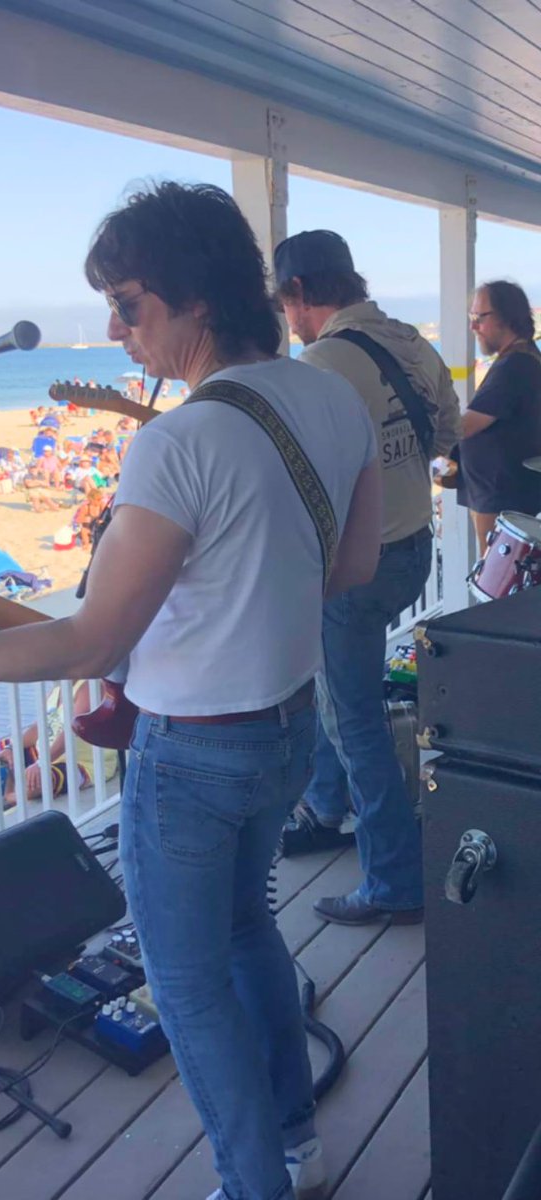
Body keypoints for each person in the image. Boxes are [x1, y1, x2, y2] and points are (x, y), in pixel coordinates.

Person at [0, 181, 381, 1200]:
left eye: (129, 303)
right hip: (287, 731)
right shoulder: (333, 396)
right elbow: (351, 567)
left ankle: (254, 1183)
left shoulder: (180, 442)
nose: (114, 329)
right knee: (248, 932)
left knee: (188, 989)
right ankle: (294, 1144)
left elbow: (88, 641)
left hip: (192, 756)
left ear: (195, 300)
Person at [274, 229, 460, 926]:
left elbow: (293, 477)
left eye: (285, 305)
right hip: (413, 550)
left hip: (355, 568)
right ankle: (326, 806)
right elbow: (444, 437)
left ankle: (393, 879)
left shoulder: (318, 363)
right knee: (338, 687)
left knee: (354, 721)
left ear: (298, 294)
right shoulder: (410, 340)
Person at [457, 280, 541, 555]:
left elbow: (464, 426)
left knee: (496, 584)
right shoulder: (524, 357)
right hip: (504, 495)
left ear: (506, 316)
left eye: (479, 317)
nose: (473, 327)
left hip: (502, 501)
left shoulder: (514, 366)